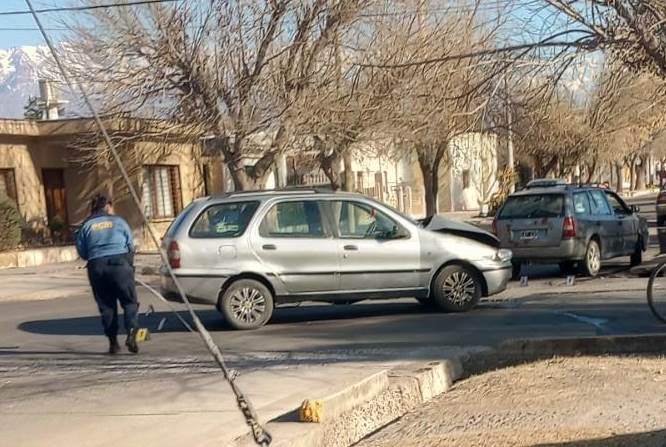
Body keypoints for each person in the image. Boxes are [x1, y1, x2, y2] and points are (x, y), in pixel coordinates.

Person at [76, 194, 140, 354]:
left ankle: (113, 343)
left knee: (107, 307)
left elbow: (82, 252)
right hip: (120, 265)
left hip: (97, 267)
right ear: (108, 206)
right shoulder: (119, 222)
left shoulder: (86, 225)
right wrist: (129, 264)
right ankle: (132, 333)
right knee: (129, 302)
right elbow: (130, 246)